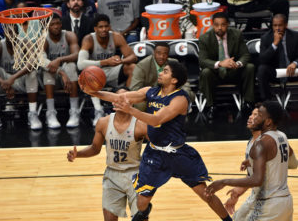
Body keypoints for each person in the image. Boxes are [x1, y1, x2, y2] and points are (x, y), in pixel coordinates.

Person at [81, 60, 232, 221]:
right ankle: (144, 213)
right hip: (155, 154)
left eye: (165, 71)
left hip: (178, 154)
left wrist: (130, 109)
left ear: (174, 80)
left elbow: (156, 120)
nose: (160, 73)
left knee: (205, 194)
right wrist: (94, 92)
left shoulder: (180, 99)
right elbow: (120, 97)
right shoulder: (150, 92)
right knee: (141, 203)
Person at [67, 87, 147, 221]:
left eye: (125, 98)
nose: (120, 101)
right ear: (112, 102)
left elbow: (156, 145)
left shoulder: (140, 125)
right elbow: (95, 148)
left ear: (131, 102)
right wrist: (78, 154)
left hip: (136, 175)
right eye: (117, 98)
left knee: (141, 219)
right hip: (112, 175)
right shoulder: (103, 123)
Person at [206, 101, 293, 221]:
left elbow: (257, 180)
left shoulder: (260, 145)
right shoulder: (282, 136)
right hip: (285, 202)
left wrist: (224, 182)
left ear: (268, 121)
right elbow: (293, 163)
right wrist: (256, 161)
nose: (253, 117)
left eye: (258, 115)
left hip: (268, 203)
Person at [77, 14, 137, 126]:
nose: (104, 29)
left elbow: (133, 57)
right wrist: (105, 62)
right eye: (100, 27)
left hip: (112, 71)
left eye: (106, 26)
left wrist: (121, 61)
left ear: (109, 27)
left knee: (132, 67)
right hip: (94, 72)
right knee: (86, 73)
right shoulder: (89, 39)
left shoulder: (116, 36)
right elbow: (80, 64)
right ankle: (98, 110)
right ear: (95, 29)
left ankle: (127, 105)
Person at [198, 12, 254, 120]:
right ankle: (211, 107)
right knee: (205, 72)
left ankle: (248, 104)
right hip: (216, 73)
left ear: (228, 24)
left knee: (249, 67)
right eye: (216, 25)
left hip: (234, 70)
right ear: (212, 25)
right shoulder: (205, 38)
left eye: (223, 25)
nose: (219, 28)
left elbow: (246, 55)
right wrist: (220, 63)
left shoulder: (237, 34)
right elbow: (202, 61)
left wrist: (237, 64)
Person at [130, 42, 195, 111]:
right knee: (140, 103)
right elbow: (135, 89)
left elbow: (184, 82)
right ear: (154, 53)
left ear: (168, 54)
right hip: (150, 96)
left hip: (170, 95)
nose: (161, 56)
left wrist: (185, 93)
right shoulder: (142, 65)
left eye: (165, 54)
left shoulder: (174, 63)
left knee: (187, 95)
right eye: (158, 53)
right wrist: (153, 96)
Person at [42, 13, 80, 129]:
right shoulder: (43, 38)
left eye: (58, 23)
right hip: (54, 74)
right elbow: (41, 60)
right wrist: (61, 72)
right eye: (52, 24)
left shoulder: (69, 35)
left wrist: (59, 59)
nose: (56, 26)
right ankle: (51, 112)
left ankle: (74, 111)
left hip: (68, 75)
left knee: (71, 66)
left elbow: (76, 55)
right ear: (47, 26)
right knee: (47, 70)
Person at [0, 36, 41, 130]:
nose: (10, 35)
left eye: (12, 32)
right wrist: (5, 83)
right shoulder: (0, 45)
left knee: (32, 73)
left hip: (20, 80)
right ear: (4, 33)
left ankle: (33, 113)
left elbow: (33, 63)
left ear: (16, 32)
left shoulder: (25, 42)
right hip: (4, 82)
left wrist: (13, 78)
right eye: (8, 32)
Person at [257, 13, 298, 101]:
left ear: (286, 25)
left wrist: (295, 63)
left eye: (280, 25)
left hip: (294, 71)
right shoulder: (266, 38)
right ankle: (267, 103)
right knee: (262, 69)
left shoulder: (295, 36)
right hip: (276, 72)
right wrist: (274, 44)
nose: (277, 28)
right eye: (275, 25)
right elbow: (262, 60)